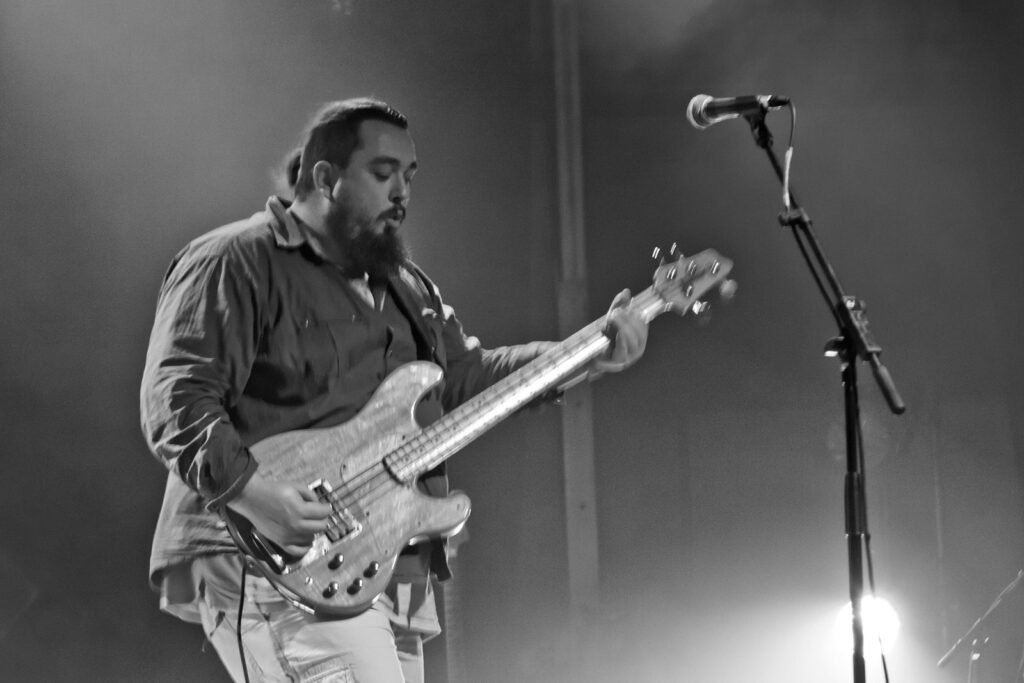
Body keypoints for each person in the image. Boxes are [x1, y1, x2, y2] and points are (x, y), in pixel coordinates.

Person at [140, 97, 648, 683]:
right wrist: (254, 493)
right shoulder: (236, 259)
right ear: (325, 178)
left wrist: (587, 353)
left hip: (386, 566)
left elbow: (466, 378)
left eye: (409, 175)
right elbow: (176, 397)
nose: (402, 193)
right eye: (383, 174)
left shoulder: (407, 286)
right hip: (275, 556)